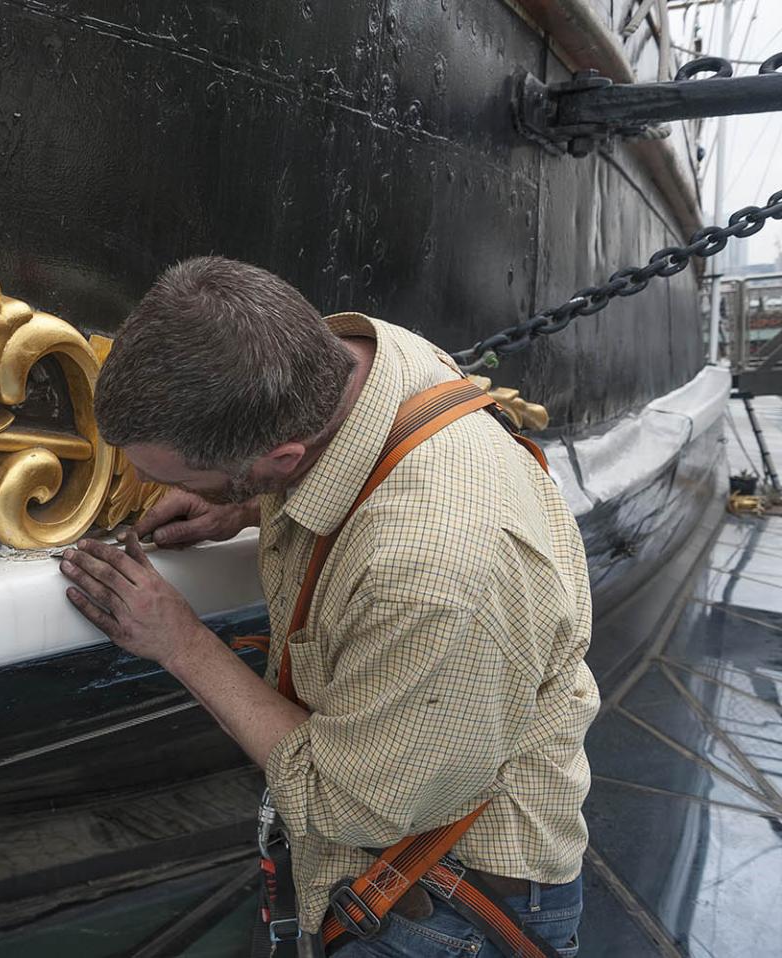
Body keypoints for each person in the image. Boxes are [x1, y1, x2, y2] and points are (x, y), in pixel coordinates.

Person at [58, 256, 596, 957]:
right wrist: (243, 501)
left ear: (281, 456)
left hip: (438, 913)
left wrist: (179, 641)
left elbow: (353, 805)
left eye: (171, 476)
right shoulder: (370, 361)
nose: (141, 487)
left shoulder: (434, 573)